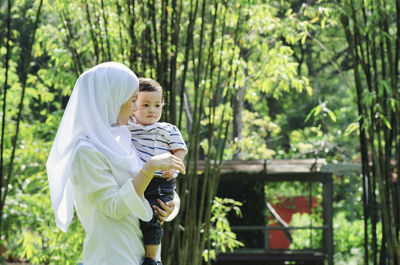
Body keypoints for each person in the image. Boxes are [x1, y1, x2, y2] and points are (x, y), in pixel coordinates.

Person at [46, 62, 185, 265]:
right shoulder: (86, 150)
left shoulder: (124, 136)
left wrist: (170, 206)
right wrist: (149, 167)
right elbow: (114, 207)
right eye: (132, 100)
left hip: (144, 255)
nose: (135, 108)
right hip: (113, 255)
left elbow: (151, 187)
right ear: (110, 99)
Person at [128, 78, 187, 265]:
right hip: (138, 180)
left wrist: (173, 166)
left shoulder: (167, 129)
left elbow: (180, 150)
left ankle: (152, 259)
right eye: (145, 105)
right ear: (133, 105)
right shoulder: (127, 126)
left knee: (153, 216)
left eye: (157, 105)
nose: (152, 110)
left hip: (161, 180)